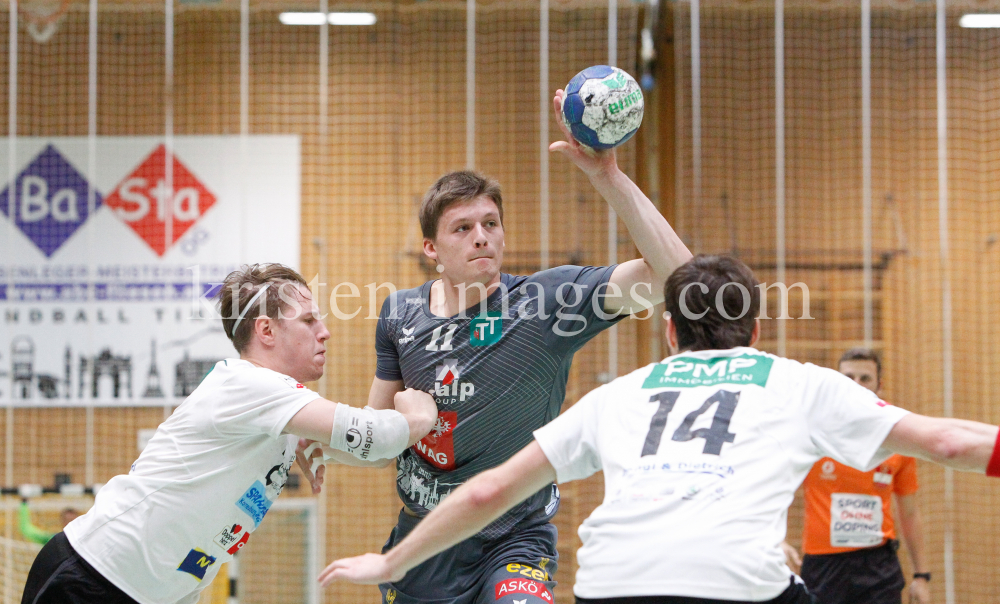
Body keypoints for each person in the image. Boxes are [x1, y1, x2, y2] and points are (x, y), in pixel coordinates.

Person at [319, 254, 1000, 604]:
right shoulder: (795, 379)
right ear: (756, 332)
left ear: (669, 332)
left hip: (611, 582)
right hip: (733, 580)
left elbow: (482, 492)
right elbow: (948, 442)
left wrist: (390, 562)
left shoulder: (619, 392)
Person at [306, 89, 692, 604]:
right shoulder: (399, 312)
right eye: (462, 228)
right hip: (427, 540)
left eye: (490, 224)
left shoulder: (548, 300)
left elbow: (680, 279)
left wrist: (608, 177)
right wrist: (325, 442)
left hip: (516, 539)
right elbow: (378, 443)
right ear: (432, 249)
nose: (481, 237)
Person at [20, 263, 437, 604]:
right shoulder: (248, 384)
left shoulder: (272, 412)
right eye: (309, 320)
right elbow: (374, 436)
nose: (325, 331)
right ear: (266, 331)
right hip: (89, 578)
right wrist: (419, 415)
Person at [789, 348, 930, 604]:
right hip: (824, 565)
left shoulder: (897, 440)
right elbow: (775, 490)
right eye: (848, 377)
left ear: (879, 384)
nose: (856, 385)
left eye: (865, 378)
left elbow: (909, 513)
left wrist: (921, 576)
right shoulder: (812, 433)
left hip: (878, 565)